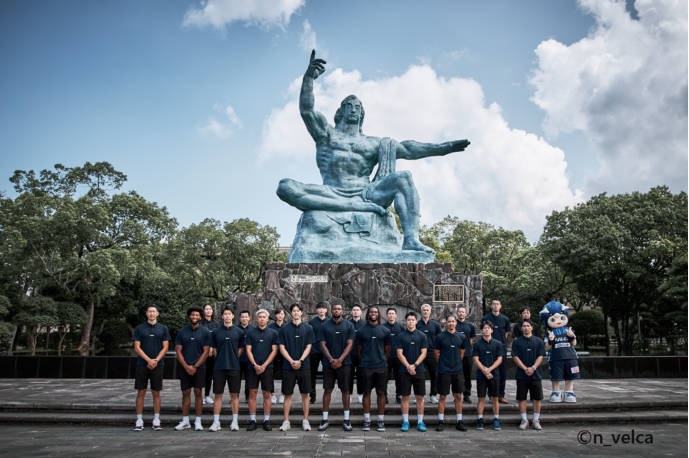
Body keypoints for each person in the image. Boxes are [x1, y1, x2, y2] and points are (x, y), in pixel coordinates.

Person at [277, 50, 470, 254]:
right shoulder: (326, 135)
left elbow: (409, 149)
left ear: (362, 114)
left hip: (366, 194)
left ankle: (411, 240)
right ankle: (355, 207)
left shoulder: (373, 143)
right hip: (332, 190)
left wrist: (444, 148)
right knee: (285, 187)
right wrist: (309, 78)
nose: (353, 109)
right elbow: (307, 110)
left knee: (403, 178)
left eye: (358, 107)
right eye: (348, 106)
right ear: (340, 112)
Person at [132, 304, 171, 431]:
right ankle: (139, 419)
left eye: (154, 311)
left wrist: (156, 360)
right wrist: (148, 360)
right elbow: (137, 347)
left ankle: (156, 419)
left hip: (158, 364)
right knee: (141, 392)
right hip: (142, 364)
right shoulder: (139, 328)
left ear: (157, 314)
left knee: (156, 392)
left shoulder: (163, 328)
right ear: (146, 314)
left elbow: (165, 347)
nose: (152, 313)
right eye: (149, 311)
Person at [278, 303, 315, 432]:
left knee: (305, 394)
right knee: (287, 394)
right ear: (291, 313)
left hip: (304, 366)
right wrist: (291, 361)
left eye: (298, 311)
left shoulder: (308, 328)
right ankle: (286, 421)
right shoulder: (284, 329)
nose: (296, 313)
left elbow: (309, 346)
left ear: (301, 313)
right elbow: (281, 347)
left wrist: (300, 360)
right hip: (288, 367)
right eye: (293, 311)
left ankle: (305, 420)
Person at [318, 303, 355, 431]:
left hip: (344, 364)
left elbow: (350, 344)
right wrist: (331, 359)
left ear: (342, 311)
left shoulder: (349, 325)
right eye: (334, 309)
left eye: (339, 309)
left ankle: (346, 419)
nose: (337, 311)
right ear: (331, 311)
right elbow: (322, 344)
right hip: (329, 364)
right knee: (327, 390)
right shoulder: (324, 326)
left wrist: (340, 359)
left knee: (345, 390)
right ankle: (324, 419)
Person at [174, 306, 211, 432]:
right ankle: (185, 421)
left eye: (197, 315)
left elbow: (206, 351)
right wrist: (186, 366)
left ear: (200, 317)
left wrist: (195, 366)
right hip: (184, 366)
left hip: (199, 367)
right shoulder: (182, 331)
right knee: (185, 393)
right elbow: (178, 351)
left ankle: (198, 421)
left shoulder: (205, 332)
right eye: (192, 315)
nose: (194, 317)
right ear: (189, 316)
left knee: (198, 392)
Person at [355, 306, 391, 432]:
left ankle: (380, 420)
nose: (373, 314)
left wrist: (381, 359)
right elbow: (359, 350)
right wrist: (366, 360)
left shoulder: (385, 331)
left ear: (378, 314)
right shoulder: (361, 331)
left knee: (381, 393)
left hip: (381, 367)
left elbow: (387, 350)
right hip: (366, 366)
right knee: (366, 393)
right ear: (368, 314)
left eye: (375, 312)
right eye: (371, 312)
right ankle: (367, 420)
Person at [209, 306, 245, 432]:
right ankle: (216, 422)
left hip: (234, 367)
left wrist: (234, 357)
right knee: (218, 395)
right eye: (225, 314)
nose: (227, 316)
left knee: (234, 395)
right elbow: (213, 350)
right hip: (219, 367)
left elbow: (240, 349)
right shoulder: (216, 332)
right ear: (222, 316)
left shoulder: (239, 332)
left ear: (233, 316)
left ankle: (234, 422)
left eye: (229, 314)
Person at [434, 314, 470, 432]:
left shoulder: (461, 337)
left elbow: (462, 352)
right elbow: (437, 353)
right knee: (443, 396)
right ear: (446, 323)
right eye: (449, 321)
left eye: (453, 321)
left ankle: (459, 421)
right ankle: (440, 421)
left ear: (456, 323)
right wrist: (444, 363)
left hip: (457, 371)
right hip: (444, 370)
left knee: (458, 396)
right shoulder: (440, 337)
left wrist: (455, 362)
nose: (451, 323)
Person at [245, 309, 279, 431]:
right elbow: (248, 349)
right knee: (252, 393)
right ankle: (252, 420)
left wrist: (264, 365)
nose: (262, 319)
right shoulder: (250, 333)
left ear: (267, 319)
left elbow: (274, 350)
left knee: (266, 394)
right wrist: (255, 364)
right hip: (252, 367)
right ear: (256, 319)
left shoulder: (273, 333)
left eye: (264, 317)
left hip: (268, 368)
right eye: (260, 317)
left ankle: (266, 420)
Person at [395, 311, 428, 432]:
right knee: (405, 397)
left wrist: (414, 365)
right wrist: (408, 366)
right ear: (405, 321)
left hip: (419, 370)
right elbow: (399, 353)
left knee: (420, 397)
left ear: (416, 321)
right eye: (408, 320)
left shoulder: (422, 335)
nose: (410, 322)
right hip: (404, 371)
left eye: (413, 320)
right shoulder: (400, 336)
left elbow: (424, 353)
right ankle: (405, 421)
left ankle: (420, 421)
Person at [511, 320, 546, 430]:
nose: (525, 328)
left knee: (537, 398)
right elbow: (515, 357)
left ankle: (536, 420)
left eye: (528, 326)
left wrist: (533, 367)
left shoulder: (538, 341)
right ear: (521, 328)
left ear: (532, 327)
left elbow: (541, 356)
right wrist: (525, 368)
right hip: (522, 375)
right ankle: (524, 420)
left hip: (536, 374)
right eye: (524, 326)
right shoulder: (517, 342)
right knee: (522, 398)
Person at [472, 321, 504, 431]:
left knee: (495, 398)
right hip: (481, 375)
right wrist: (484, 370)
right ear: (481, 331)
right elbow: (476, 359)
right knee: (481, 398)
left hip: (494, 374)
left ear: (492, 330)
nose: (486, 330)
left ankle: (496, 419)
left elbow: (499, 359)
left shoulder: (498, 344)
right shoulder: (477, 344)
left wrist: (489, 369)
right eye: (484, 328)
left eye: (488, 328)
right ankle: (480, 419)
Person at [482, 299, 511, 404]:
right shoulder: (486, 318)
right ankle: (491, 396)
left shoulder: (505, 319)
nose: (495, 306)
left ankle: (500, 395)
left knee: (502, 373)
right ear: (491, 306)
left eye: (497, 304)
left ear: (500, 306)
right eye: (493, 304)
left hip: (501, 349)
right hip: (489, 348)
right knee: (491, 372)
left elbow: (507, 333)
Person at [417, 303, 441, 404]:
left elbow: (440, 339)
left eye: (427, 310)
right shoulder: (417, 324)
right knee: (418, 375)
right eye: (424, 310)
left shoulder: (435, 325)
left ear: (430, 312)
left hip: (432, 352)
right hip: (419, 353)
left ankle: (433, 395)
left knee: (434, 374)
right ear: (421, 311)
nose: (425, 311)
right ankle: (419, 395)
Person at [308, 301, 329, 404]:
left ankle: (327, 395)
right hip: (314, 351)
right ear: (316, 310)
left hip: (326, 352)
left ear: (326, 310)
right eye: (319, 308)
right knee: (312, 374)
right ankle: (312, 396)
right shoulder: (311, 323)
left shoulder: (330, 322)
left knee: (327, 374)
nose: (321, 310)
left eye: (323, 308)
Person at [383, 306, 404, 403]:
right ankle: (384, 396)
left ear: (396, 315)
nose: (391, 315)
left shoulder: (400, 327)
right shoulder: (382, 327)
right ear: (387, 315)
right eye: (389, 313)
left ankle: (399, 395)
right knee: (384, 378)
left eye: (393, 313)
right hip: (385, 357)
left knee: (399, 378)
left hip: (398, 357)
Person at [456, 306, 476, 404]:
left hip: (468, 354)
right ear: (457, 313)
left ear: (466, 314)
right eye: (459, 312)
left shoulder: (470, 326)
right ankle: (457, 395)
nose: (461, 313)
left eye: (463, 312)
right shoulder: (454, 324)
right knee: (456, 376)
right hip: (455, 354)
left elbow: (471, 339)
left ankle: (467, 395)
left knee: (467, 375)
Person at [200, 303, 218, 405]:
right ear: (203, 311)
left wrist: (213, 348)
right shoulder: (200, 324)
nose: (208, 311)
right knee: (201, 374)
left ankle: (207, 395)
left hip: (213, 354)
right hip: (202, 352)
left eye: (210, 309)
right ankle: (200, 396)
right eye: (206, 309)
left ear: (212, 311)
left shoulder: (216, 324)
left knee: (209, 375)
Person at [268, 308, 286, 405]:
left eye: (282, 313)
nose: (280, 316)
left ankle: (283, 394)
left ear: (284, 315)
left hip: (284, 354)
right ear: (275, 316)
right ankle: (272, 394)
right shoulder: (270, 327)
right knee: (270, 374)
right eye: (278, 314)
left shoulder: (287, 327)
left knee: (285, 374)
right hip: (273, 353)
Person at [348, 304, 365, 404]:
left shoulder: (365, 324)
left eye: (357, 310)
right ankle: (349, 395)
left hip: (362, 355)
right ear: (351, 312)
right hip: (349, 354)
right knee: (349, 376)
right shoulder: (347, 324)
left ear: (361, 312)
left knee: (361, 376)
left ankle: (360, 395)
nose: (355, 312)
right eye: (354, 310)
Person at [237, 309, 256, 402]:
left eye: (246, 317)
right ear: (239, 318)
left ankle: (248, 397)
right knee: (236, 379)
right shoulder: (235, 329)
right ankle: (235, 397)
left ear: (249, 318)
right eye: (242, 317)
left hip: (249, 359)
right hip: (237, 359)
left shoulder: (253, 330)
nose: (244, 319)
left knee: (249, 380)